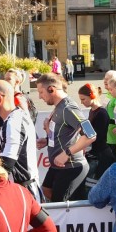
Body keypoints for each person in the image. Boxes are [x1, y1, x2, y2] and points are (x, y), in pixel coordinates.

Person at [35, 73, 96, 201]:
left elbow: (91, 134)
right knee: (46, 190)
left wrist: (67, 153)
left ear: (51, 89)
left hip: (72, 166)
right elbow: (65, 132)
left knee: (59, 205)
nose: (40, 97)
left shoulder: (68, 108)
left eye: (41, 92)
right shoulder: (58, 106)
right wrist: (47, 140)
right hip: (58, 165)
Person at [0, 80, 40, 200]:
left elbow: (7, 164)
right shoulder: (14, 118)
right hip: (21, 188)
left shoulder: (13, 122)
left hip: (24, 191)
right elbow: (2, 154)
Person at [78, 83, 115, 188]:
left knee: (92, 186)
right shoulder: (93, 111)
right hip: (95, 154)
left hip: (100, 156)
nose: (81, 102)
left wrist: (83, 132)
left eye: (83, 99)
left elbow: (98, 136)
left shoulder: (101, 113)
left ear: (92, 96)